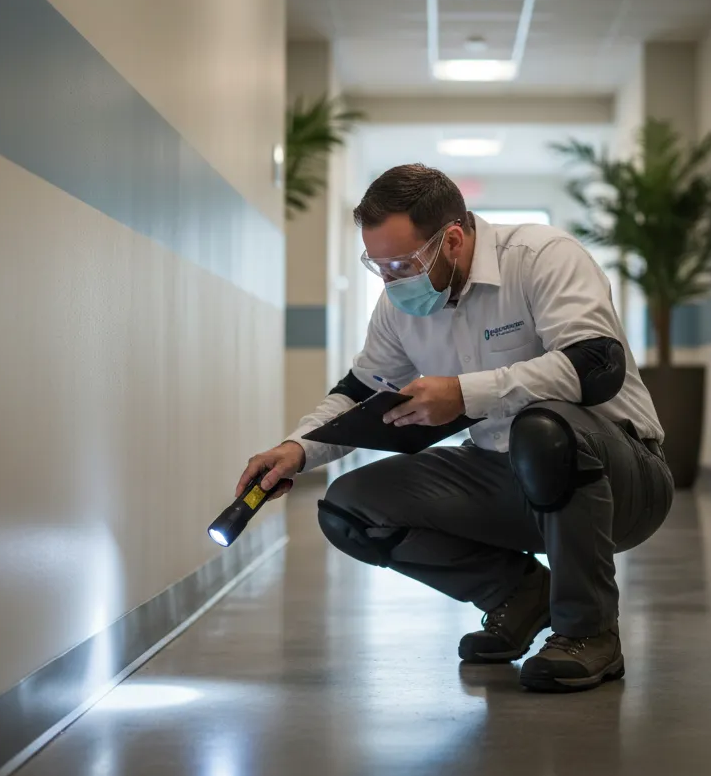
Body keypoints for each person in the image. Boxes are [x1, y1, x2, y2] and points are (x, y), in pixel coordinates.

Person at [237, 164, 673, 693]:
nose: (391, 280)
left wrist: (465, 393)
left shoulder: (541, 258)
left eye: (402, 263)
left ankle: (589, 632)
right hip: (504, 476)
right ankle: (518, 595)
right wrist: (296, 449)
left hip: (621, 475)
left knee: (544, 430)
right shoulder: (398, 308)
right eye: (378, 266)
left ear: (454, 238)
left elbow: (595, 364)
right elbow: (358, 391)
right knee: (349, 508)